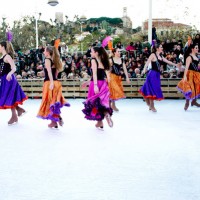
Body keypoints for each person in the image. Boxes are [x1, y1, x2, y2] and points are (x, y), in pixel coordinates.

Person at [139, 43, 180, 112]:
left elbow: (167, 61)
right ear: (157, 48)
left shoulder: (161, 55)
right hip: (152, 74)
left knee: (154, 88)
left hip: (157, 75)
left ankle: (149, 104)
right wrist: (143, 70)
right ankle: (152, 105)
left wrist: (175, 64)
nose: (162, 48)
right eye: (161, 47)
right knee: (152, 89)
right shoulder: (153, 55)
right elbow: (147, 63)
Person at [37, 46, 70, 129]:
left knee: (49, 102)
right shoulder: (54, 60)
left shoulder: (47, 59)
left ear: (48, 52)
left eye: (44, 50)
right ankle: (54, 121)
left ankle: (56, 119)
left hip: (49, 83)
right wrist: (43, 71)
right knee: (53, 102)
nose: (44, 52)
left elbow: (49, 72)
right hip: (56, 82)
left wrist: (51, 82)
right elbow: (54, 72)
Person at [82, 46, 113, 129]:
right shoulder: (103, 60)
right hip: (103, 83)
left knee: (95, 103)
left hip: (95, 84)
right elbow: (102, 74)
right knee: (101, 103)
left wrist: (95, 85)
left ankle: (100, 120)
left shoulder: (93, 60)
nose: (90, 53)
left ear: (96, 53)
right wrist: (88, 81)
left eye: (91, 52)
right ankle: (102, 119)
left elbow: (95, 74)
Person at [0, 41, 27, 125]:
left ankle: (15, 115)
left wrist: (9, 74)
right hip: (4, 80)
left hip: (9, 80)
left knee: (9, 97)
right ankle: (18, 110)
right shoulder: (3, 56)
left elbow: (14, 68)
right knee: (8, 97)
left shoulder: (7, 56)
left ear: (3, 47)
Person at [177, 43, 200, 111]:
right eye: (196, 48)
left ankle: (194, 101)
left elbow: (197, 66)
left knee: (197, 87)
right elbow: (186, 67)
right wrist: (184, 76)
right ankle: (187, 102)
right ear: (192, 49)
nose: (197, 49)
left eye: (197, 48)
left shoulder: (196, 57)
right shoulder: (189, 57)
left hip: (197, 74)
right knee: (190, 88)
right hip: (190, 74)